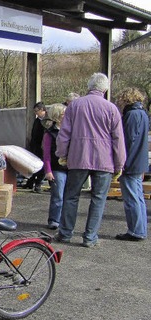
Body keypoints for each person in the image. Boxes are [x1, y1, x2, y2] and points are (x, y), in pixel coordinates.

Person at [55, 73, 126, 248]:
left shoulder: (75, 106)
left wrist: (62, 154)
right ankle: (90, 237)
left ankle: (65, 233)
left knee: (71, 197)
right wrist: (119, 164)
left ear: (89, 86)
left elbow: (64, 134)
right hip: (104, 160)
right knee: (98, 199)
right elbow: (118, 139)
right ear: (105, 89)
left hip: (79, 157)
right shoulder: (111, 109)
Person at [114, 87, 148, 241]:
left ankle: (135, 230)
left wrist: (121, 162)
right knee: (138, 197)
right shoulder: (143, 113)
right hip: (139, 160)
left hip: (131, 162)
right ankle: (140, 229)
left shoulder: (132, 115)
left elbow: (127, 141)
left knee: (132, 198)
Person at [42, 103, 67, 230]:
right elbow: (46, 154)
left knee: (69, 197)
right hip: (57, 169)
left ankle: (65, 221)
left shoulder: (71, 131)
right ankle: (54, 220)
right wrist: (48, 171)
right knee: (58, 196)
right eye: (63, 113)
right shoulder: (49, 134)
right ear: (57, 116)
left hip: (71, 168)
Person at [24, 102, 47, 193]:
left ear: (42, 110)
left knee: (43, 167)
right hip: (36, 146)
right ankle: (30, 182)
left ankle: (38, 184)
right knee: (34, 165)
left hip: (44, 147)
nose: (35, 113)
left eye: (36, 111)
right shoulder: (37, 120)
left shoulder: (47, 121)